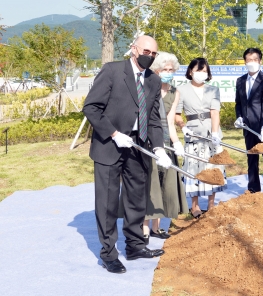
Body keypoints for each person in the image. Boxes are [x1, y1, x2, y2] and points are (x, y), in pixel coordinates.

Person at [83, 35, 172, 274]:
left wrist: (159, 147)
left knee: (136, 199)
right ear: (134, 49)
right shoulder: (112, 71)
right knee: (108, 202)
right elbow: (91, 107)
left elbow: (153, 119)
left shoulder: (153, 80)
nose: (150, 57)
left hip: (138, 145)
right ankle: (109, 253)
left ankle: (134, 245)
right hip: (110, 144)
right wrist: (113, 133)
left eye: (154, 54)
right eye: (146, 51)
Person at [145, 52, 189, 239]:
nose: (168, 73)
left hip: (166, 141)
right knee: (150, 184)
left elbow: (171, 122)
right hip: (148, 142)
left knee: (166, 183)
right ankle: (144, 229)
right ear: (156, 70)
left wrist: (177, 143)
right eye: (165, 69)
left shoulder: (174, 92)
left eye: (171, 70)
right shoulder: (146, 87)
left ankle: (157, 227)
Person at [175, 57, 226, 218]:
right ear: (191, 71)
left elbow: (215, 112)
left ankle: (211, 204)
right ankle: (194, 206)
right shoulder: (181, 90)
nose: (201, 74)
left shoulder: (213, 89)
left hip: (211, 132)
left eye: (204, 71)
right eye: (198, 70)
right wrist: (183, 127)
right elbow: (177, 115)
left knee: (213, 167)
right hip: (193, 132)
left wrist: (215, 132)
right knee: (193, 168)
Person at [234, 48, 263, 193]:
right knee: (252, 160)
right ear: (245, 62)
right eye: (249, 60)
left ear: (260, 61)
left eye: (255, 60)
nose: (251, 62)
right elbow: (239, 103)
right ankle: (253, 189)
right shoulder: (240, 81)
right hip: (249, 128)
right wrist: (239, 116)